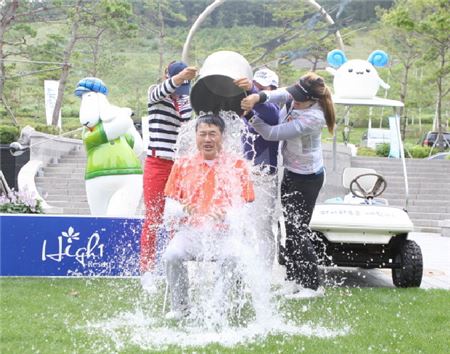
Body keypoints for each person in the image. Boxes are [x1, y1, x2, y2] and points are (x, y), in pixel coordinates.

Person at [240, 72, 336, 291]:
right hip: (292, 172)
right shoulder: (296, 97)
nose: (293, 99)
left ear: (312, 99)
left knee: (299, 229)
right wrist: (257, 97)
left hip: (308, 178)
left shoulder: (313, 117)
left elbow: (272, 134)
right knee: (289, 228)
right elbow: (275, 95)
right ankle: (293, 280)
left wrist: (250, 116)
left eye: (298, 98)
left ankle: (311, 286)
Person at [162, 114, 255, 320]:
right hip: (190, 232)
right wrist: (182, 209)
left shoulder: (238, 165)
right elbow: (169, 208)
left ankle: (219, 308)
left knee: (233, 257)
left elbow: (247, 210)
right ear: (195, 136)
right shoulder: (183, 164)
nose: (207, 139)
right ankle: (181, 308)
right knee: (171, 256)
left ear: (222, 136)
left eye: (213, 134)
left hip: (225, 234)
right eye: (202, 134)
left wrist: (227, 216)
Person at [140, 61, 197, 274]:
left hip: (180, 165)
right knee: (153, 217)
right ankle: (147, 270)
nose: (180, 91)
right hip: (157, 162)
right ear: (167, 76)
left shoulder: (185, 100)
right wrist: (180, 78)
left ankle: (176, 268)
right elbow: (164, 90)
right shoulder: (155, 92)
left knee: (180, 217)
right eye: (179, 83)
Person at [233, 68, 280, 278]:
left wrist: (253, 91)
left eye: (263, 89)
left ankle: (264, 276)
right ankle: (242, 272)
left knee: (261, 228)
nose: (257, 92)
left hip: (263, 176)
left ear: (273, 90)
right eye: (256, 86)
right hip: (243, 176)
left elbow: (269, 111)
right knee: (239, 227)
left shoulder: (273, 109)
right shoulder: (247, 109)